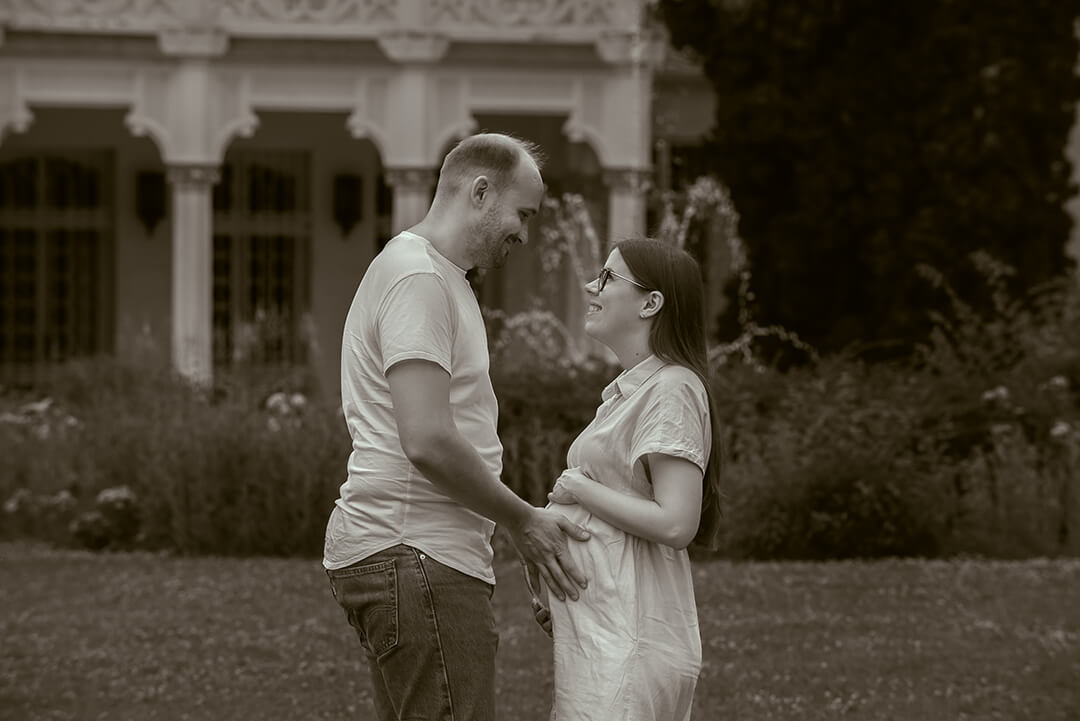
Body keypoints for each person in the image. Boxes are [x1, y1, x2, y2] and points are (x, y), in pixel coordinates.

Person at [323, 132, 590, 721]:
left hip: (411, 556)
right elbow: (426, 438)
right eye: (523, 214)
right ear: (480, 192)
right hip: (416, 554)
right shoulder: (418, 278)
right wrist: (523, 521)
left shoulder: (436, 276)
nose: (525, 234)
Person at [527, 238, 724, 721]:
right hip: (604, 634)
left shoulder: (673, 388)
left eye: (608, 277)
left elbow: (677, 523)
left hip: (629, 642)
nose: (590, 286)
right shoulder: (633, 391)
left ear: (650, 303)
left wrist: (578, 488)